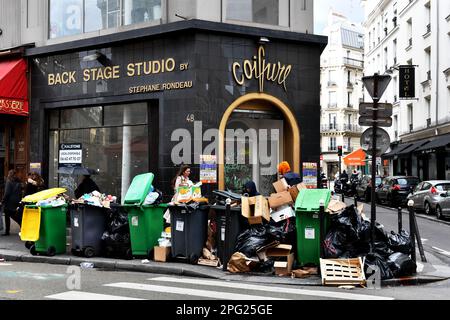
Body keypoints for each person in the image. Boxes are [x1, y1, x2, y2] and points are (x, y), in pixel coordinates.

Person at [1, 170, 23, 236]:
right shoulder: (18, 182)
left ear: (9, 174)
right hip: (16, 201)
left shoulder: (9, 181)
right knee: (13, 215)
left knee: (9, 215)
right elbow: (20, 193)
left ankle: (7, 231)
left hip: (9, 201)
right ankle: (22, 227)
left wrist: (3, 201)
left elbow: (7, 193)